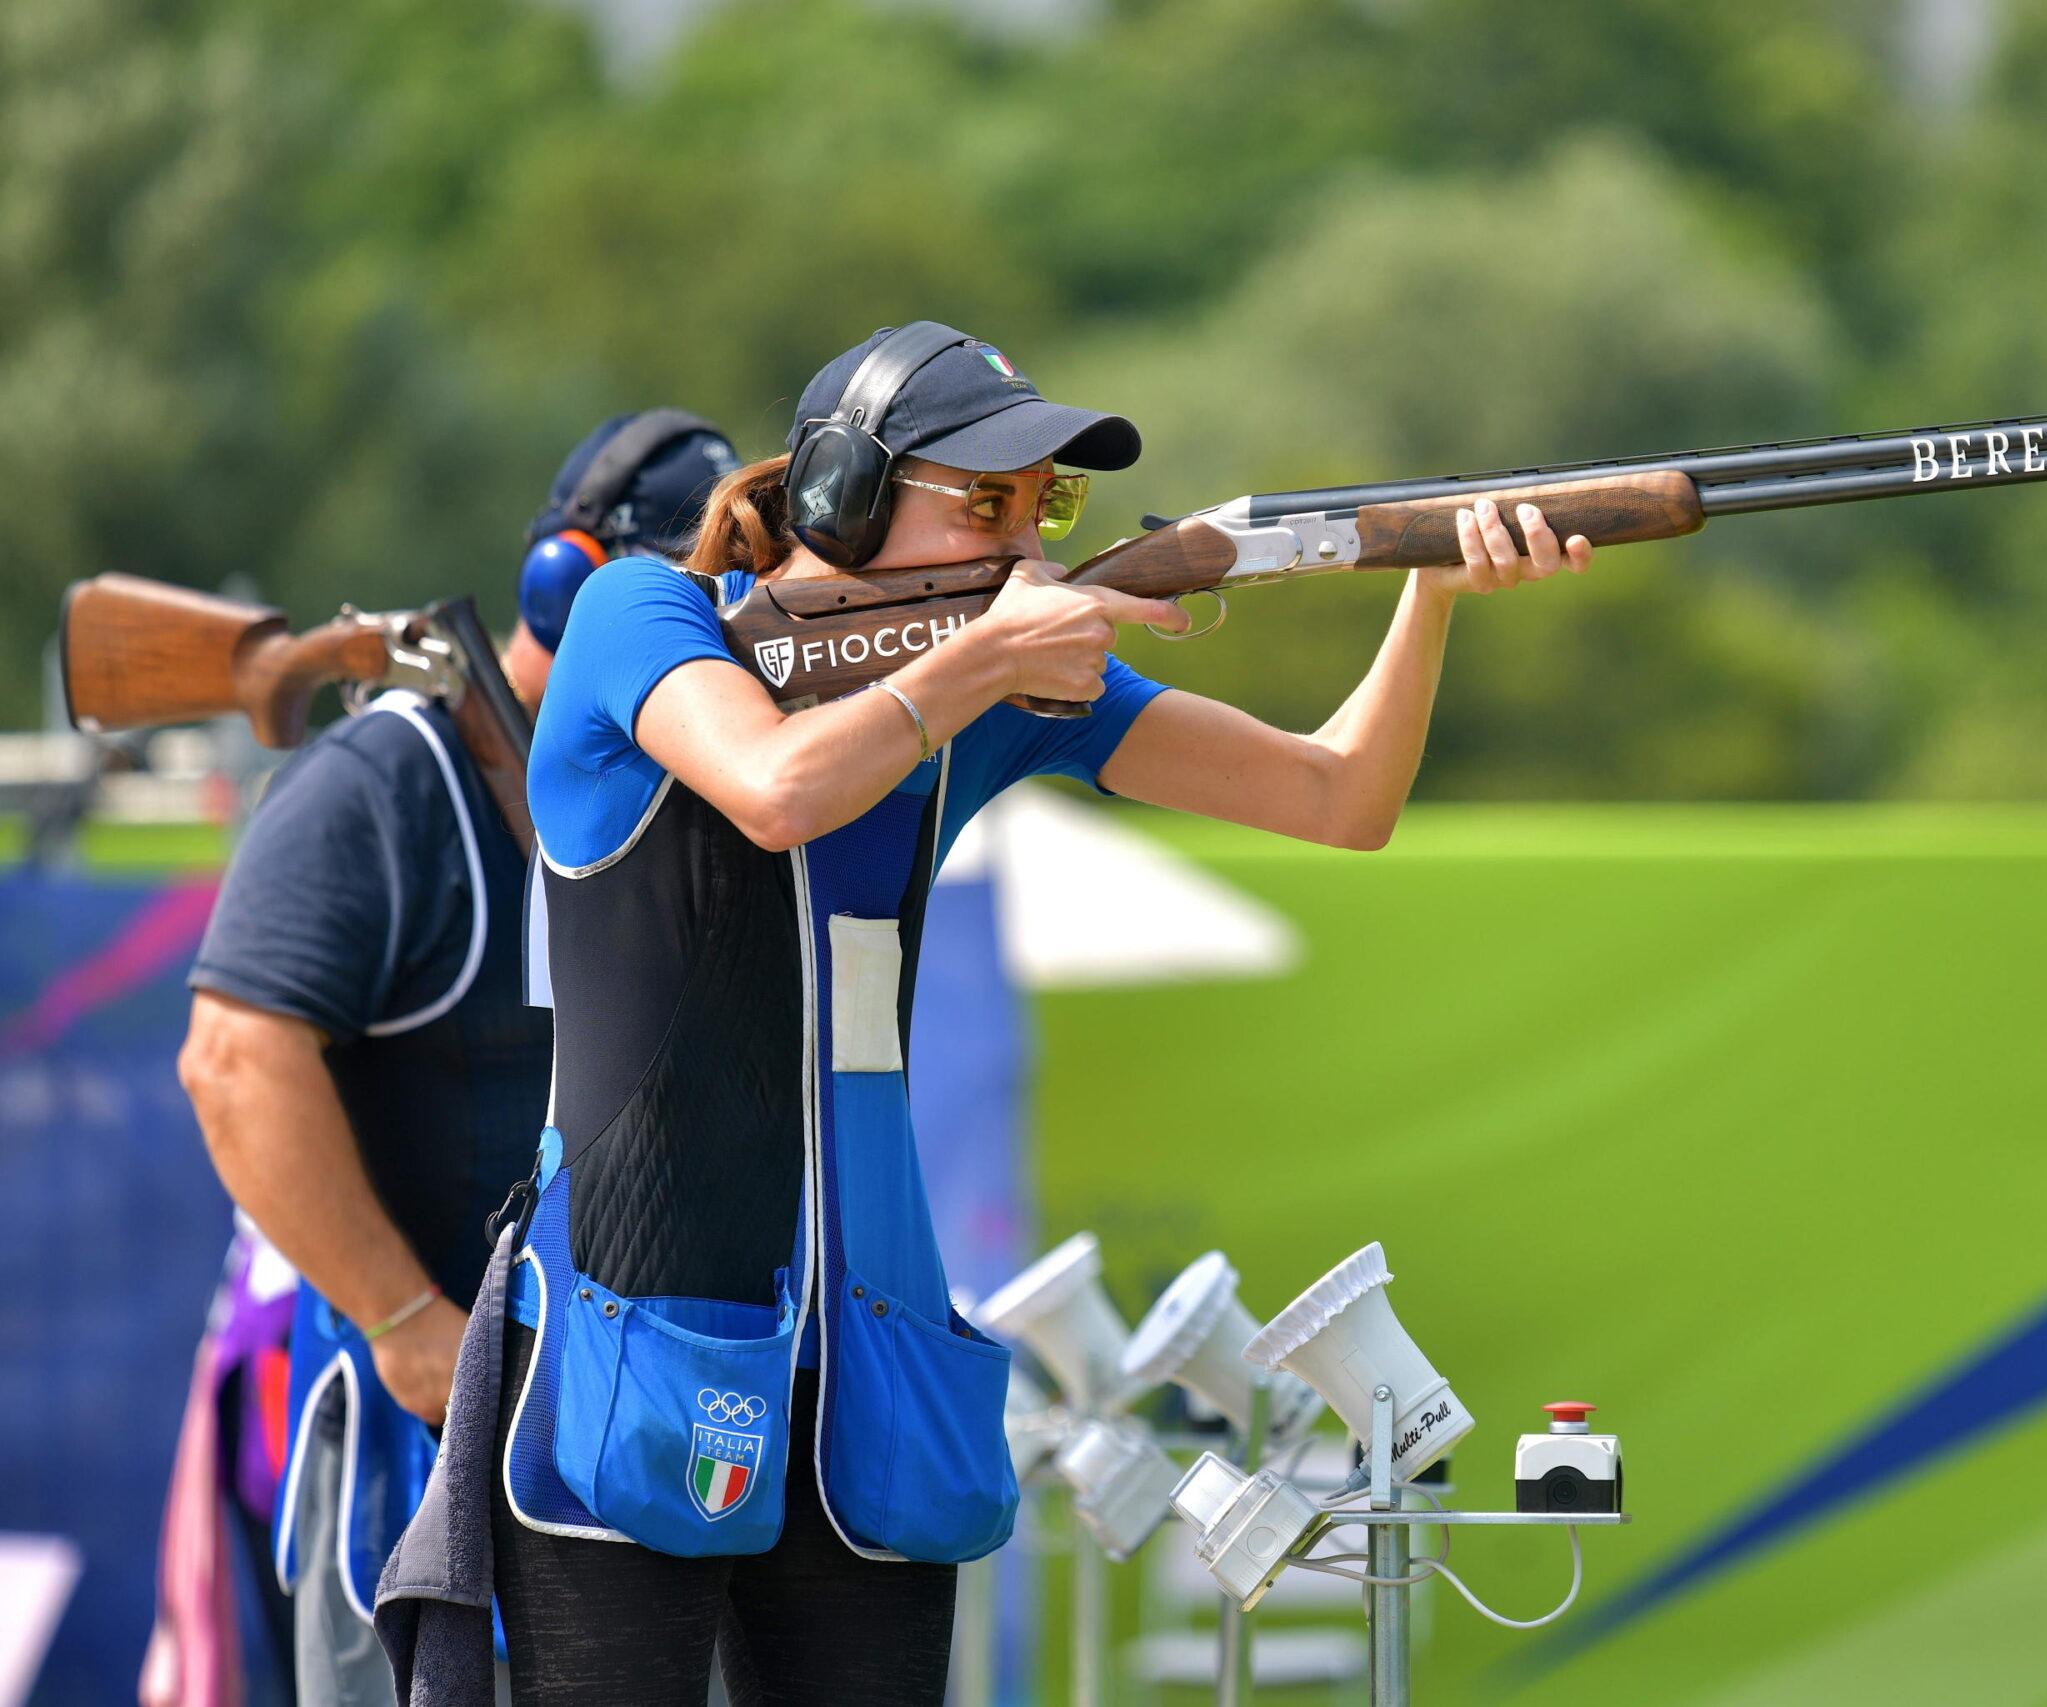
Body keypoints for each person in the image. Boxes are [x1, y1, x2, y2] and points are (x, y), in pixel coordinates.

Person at [486, 323, 1590, 1705]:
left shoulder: (999, 690)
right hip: (632, 1329)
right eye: (989, 502)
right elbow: (776, 791)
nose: (1028, 544)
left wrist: (1424, 587)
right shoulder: (646, 616)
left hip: (871, 1361)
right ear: (844, 492)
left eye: (1050, 507)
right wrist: (989, 657)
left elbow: (1339, 798)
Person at [177, 410, 740, 1705]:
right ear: (569, 582)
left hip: (586, 1440)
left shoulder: (677, 787)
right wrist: (406, 1325)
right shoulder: (390, 778)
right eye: (671, 589)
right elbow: (233, 1061)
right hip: (402, 1432)